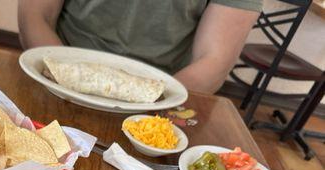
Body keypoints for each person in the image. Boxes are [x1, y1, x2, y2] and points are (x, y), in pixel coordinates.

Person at [18, 0, 262, 94]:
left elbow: (214, 60)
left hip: (164, 95)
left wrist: (155, 100)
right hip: (53, 79)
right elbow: (35, 15)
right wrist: (61, 81)